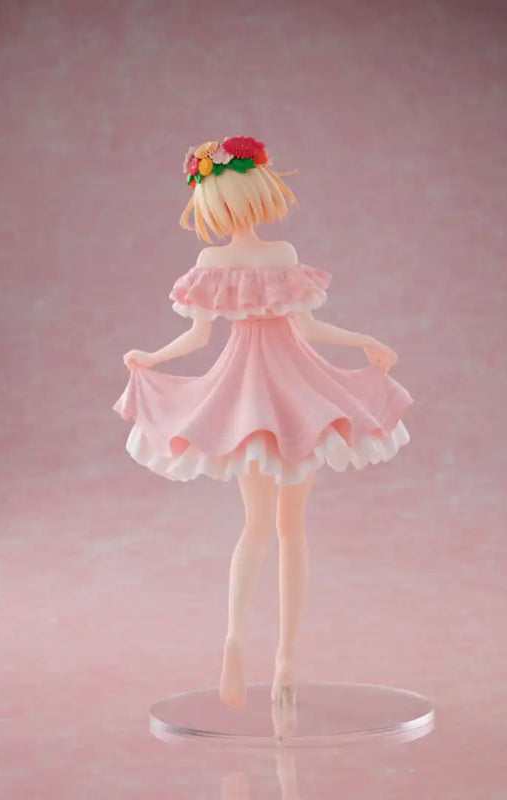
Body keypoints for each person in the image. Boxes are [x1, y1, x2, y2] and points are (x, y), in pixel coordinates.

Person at [113, 136, 413, 709]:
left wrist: (152, 356)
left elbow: (197, 337)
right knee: (290, 528)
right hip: (294, 389)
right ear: (261, 192)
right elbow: (308, 331)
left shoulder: (212, 263)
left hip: (248, 392)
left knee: (254, 526)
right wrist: (363, 340)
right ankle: (285, 661)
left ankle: (236, 640)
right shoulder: (280, 255)